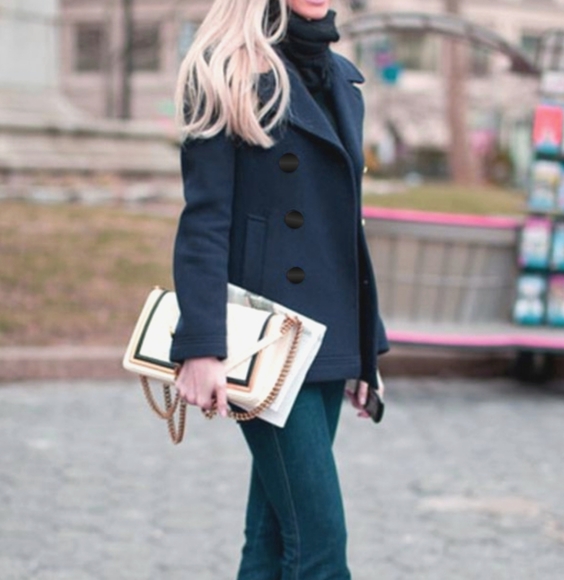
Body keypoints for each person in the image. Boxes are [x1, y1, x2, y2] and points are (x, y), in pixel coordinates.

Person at [171, 0, 389, 578]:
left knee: (271, 542)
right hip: (260, 342)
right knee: (320, 547)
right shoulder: (226, 71)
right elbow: (205, 221)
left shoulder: (342, 80)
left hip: (327, 337)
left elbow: (343, 230)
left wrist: (364, 350)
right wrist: (201, 345)